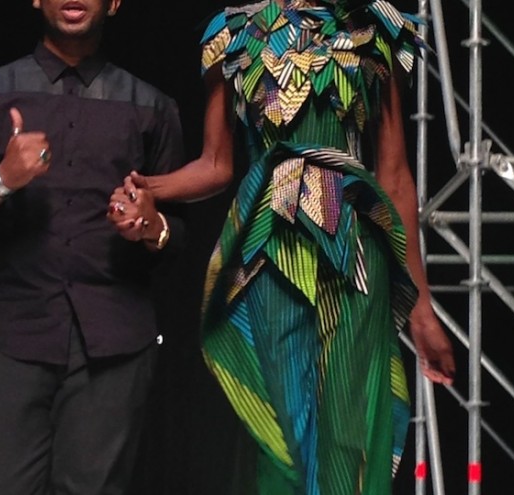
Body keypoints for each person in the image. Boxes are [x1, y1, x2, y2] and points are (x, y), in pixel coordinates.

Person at [113, 1, 456, 493]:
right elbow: (216, 163)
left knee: (351, 421)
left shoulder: (374, 28)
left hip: (353, 247)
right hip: (269, 246)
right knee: (285, 421)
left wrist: (421, 312)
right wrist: (149, 187)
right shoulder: (233, 32)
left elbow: (395, 177)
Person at [0, 0, 186, 493]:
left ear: (114, 3)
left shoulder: (152, 107)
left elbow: (178, 239)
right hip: (11, 334)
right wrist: (1, 181)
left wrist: (150, 227)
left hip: (114, 340)